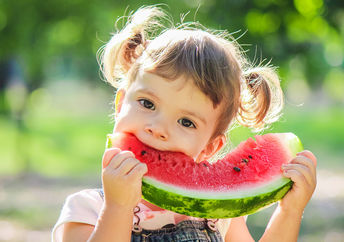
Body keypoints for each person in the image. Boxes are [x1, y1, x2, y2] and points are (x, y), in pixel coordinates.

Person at [52, 6, 317, 242]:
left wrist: (289, 211)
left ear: (210, 148)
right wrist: (117, 208)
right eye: (147, 104)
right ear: (120, 104)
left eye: (186, 122)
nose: (158, 128)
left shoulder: (218, 213)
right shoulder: (86, 209)